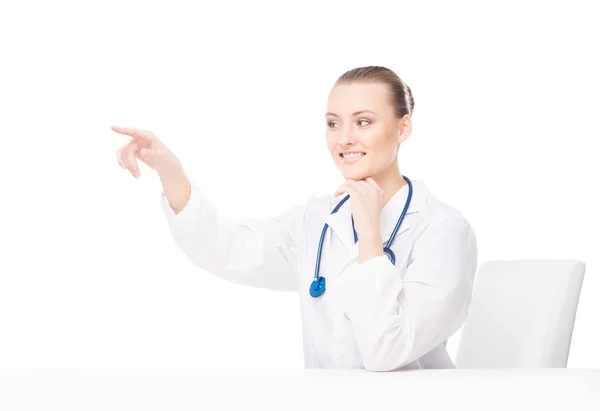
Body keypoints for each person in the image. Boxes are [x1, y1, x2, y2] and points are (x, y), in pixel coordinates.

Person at [112, 65, 478, 372]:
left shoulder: (443, 231)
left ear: (403, 128)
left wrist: (369, 234)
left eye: (363, 122)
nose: (344, 139)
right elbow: (227, 249)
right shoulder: (316, 222)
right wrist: (170, 171)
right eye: (333, 124)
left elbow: (387, 350)